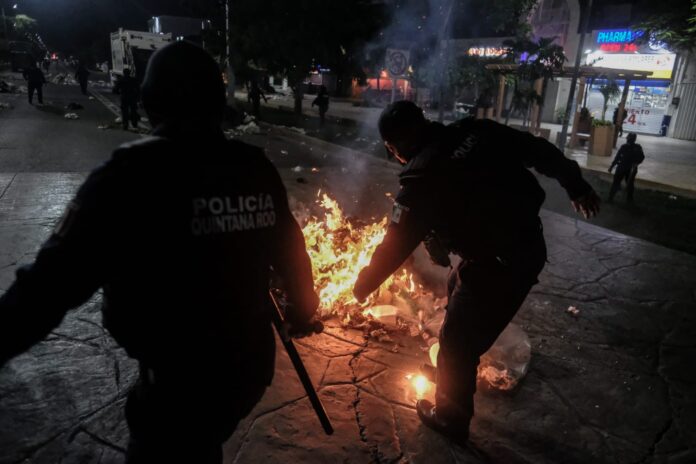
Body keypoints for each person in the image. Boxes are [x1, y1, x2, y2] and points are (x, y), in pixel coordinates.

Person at [0, 41, 321, 463]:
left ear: (151, 102)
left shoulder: (132, 172)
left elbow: (50, 285)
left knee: (171, 445)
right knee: (202, 442)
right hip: (248, 368)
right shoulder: (254, 167)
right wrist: (302, 309)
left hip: (180, 381)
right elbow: (293, 253)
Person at [352, 101, 600, 447]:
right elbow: (538, 150)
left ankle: (451, 418)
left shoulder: (420, 182)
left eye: (391, 149)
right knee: (456, 286)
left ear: (396, 147)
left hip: (500, 264)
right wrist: (576, 185)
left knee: (456, 343)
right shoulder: (475, 132)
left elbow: (394, 246)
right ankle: (450, 375)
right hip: (523, 244)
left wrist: (362, 286)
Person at [608, 132, 644, 203]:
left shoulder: (628, 147)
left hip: (625, 168)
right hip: (627, 168)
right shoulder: (636, 147)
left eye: (628, 137)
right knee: (626, 183)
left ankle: (613, 198)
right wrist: (612, 166)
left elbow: (617, 158)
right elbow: (642, 157)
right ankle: (613, 198)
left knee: (621, 183)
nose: (626, 138)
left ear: (629, 138)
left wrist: (612, 166)